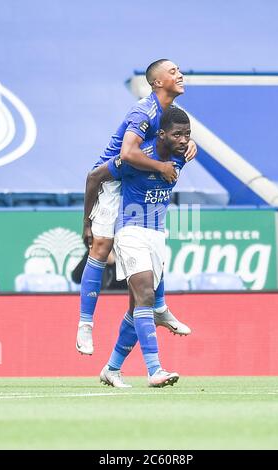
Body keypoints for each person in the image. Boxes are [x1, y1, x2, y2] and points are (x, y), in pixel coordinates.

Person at [77, 59, 197, 355]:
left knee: (151, 238)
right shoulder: (144, 110)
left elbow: (172, 139)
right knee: (102, 246)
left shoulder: (168, 114)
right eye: (172, 71)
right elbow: (128, 152)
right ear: (157, 82)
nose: (180, 74)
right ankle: (85, 324)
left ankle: (157, 310)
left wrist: (190, 145)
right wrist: (162, 166)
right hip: (112, 177)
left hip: (136, 178)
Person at [83, 107, 191, 387]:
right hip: (130, 232)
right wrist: (87, 224)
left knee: (136, 309)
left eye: (187, 135)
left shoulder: (182, 155)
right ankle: (155, 370)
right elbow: (94, 177)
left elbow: (189, 146)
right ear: (161, 134)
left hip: (157, 236)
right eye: (177, 134)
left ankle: (112, 368)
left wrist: (193, 145)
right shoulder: (136, 158)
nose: (183, 140)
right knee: (144, 295)